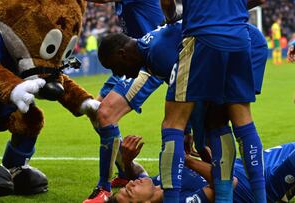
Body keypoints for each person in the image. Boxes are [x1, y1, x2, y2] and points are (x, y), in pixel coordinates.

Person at [97, 2, 267, 201]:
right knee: (227, 120)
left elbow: (192, 95)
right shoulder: (151, 50)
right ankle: (242, 197)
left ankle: (221, 196)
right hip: (240, 37)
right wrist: (191, 132)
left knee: (210, 123)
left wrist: (196, 134)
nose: (116, 73)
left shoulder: (157, 54)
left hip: (230, 43)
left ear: (122, 54)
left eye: (113, 67)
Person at [83, 1, 165, 202]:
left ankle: (104, 188)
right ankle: (125, 170)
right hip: (129, 58)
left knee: (105, 113)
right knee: (95, 110)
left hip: (148, 59)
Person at [106, 135, 295, 203]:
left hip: (250, 165)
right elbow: (229, 184)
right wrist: (187, 160)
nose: (130, 183)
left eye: (125, 186)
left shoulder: (160, 184)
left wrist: (128, 162)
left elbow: (139, 174)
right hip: (262, 184)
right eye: (130, 192)